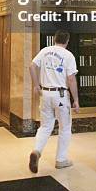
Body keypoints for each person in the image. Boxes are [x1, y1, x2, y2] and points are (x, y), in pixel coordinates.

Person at [28, 29, 79, 173]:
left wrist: (36, 85)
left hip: (45, 94)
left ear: (54, 39)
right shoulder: (68, 55)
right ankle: (61, 160)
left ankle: (36, 151)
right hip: (61, 95)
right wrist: (76, 100)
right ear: (67, 41)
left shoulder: (45, 51)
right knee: (65, 127)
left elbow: (32, 66)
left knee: (45, 126)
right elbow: (71, 79)